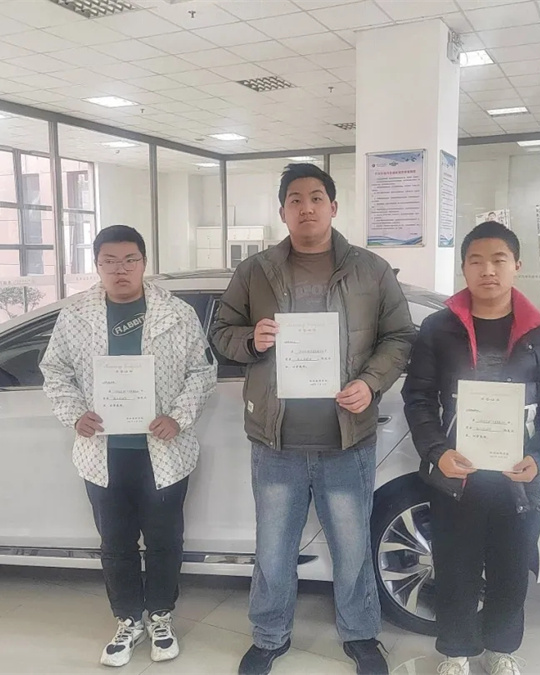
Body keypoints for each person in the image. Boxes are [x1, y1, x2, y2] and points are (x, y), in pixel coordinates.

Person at [210, 163, 415, 675]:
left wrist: (370, 382)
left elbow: (400, 337)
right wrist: (251, 340)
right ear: (282, 211)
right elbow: (221, 332)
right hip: (275, 441)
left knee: (351, 546)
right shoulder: (254, 271)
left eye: (316, 198)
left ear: (333, 207)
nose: (306, 208)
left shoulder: (372, 269)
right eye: (295, 200)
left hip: (347, 440)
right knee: (273, 550)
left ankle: (361, 635)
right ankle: (269, 636)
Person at [402, 221, 540, 675]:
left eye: (499, 260)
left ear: (517, 265)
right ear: (463, 268)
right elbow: (418, 398)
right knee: (454, 567)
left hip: (520, 476)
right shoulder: (438, 328)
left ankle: (501, 648)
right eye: (476, 261)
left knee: (512, 569)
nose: (488, 270)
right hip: (456, 475)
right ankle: (456, 652)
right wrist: (437, 451)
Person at [40, 225, 217, 668]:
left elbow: (202, 372)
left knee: (164, 539)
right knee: (115, 542)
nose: (121, 270)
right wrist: (74, 413)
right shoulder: (75, 315)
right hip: (102, 453)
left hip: (164, 452)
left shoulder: (176, 313)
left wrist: (178, 417)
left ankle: (160, 616)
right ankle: (127, 620)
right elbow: (55, 371)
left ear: (144, 263)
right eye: (110, 262)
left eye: (130, 260)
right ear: (97, 265)